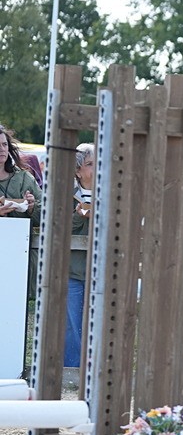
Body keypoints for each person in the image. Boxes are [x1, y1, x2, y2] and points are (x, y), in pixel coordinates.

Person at [65, 144, 94, 369]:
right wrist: (78, 217)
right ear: (77, 171)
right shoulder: (67, 194)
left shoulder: (112, 192)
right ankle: (73, 370)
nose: (96, 168)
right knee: (73, 325)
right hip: (73, 269)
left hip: (99, 271)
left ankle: (94, 368)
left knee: (96, 323)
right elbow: (60, 229)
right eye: (90, 164)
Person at [0, 124, 42, 225]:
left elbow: (48, 216)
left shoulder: (24, 178)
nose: (2, 149)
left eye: (4, 144)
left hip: (21, 238)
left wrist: (33, 208)